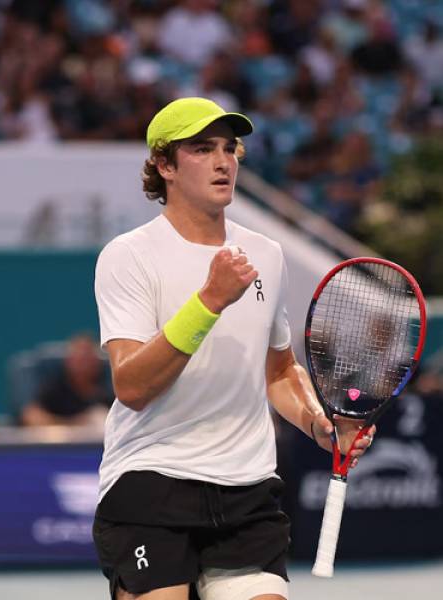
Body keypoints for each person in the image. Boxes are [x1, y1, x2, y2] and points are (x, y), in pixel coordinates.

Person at [91, 97, 374, 600]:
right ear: (164, 164)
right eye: (202, 149)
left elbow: (280, 371)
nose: (224, 161)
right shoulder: (128, 255)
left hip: (247, 488)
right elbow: (131, 385)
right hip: (151, 483)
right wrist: (209, 301)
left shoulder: (266, 253)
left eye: (230, 147)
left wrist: (319, 423)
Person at [21, 333, 112, 427]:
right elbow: (31, 416)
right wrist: (80, 423)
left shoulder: (109, 388)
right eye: (79, 359)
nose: (83, 366)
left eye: (88, 359)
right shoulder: (54, 388)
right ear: (68, 361)